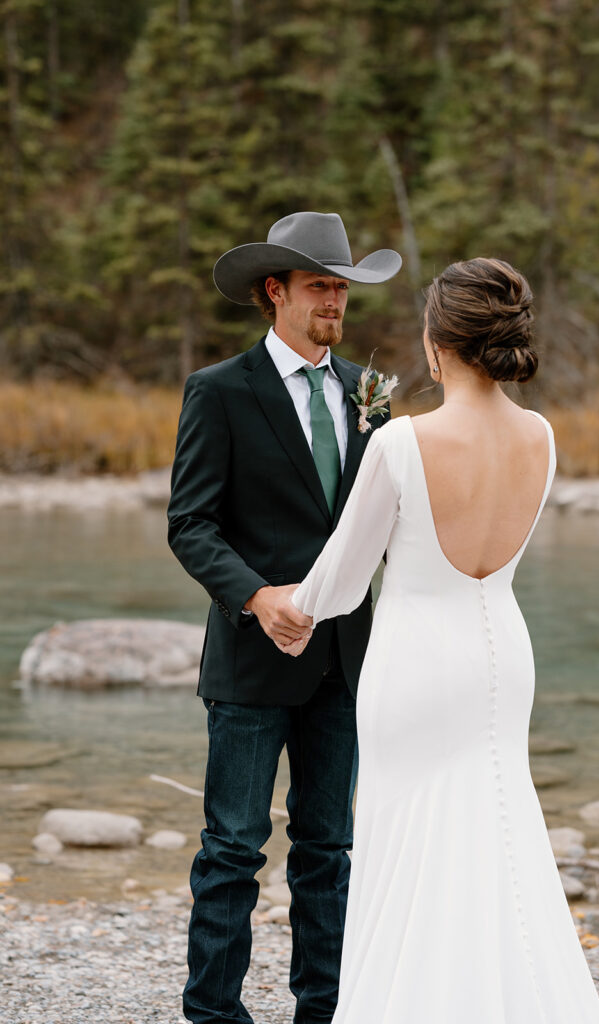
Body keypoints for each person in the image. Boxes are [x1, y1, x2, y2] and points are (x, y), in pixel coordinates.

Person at [282, 258, 599, 1023]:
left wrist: (281, 606)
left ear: (437, 346)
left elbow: (338, 582)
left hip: (417, 662)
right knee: (498, 827)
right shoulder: (541, 436)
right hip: (502, 650)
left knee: (408, 842)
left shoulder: (402, 444)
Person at [166, 210, 401, 1024]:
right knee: (232, 849)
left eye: (341, 288)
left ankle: (324, 1010)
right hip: (250, 657)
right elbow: (190, 523)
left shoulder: (363, 396)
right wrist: (258, 596)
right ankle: (213, 1014)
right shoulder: (219, 391)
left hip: (344, 661)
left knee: (328, 852)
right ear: (276, 292)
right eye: (320, 286)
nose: (335, 301)